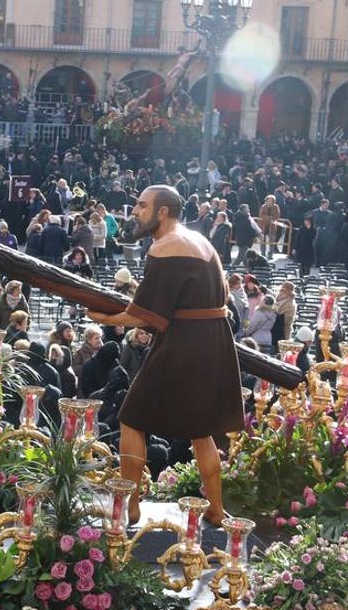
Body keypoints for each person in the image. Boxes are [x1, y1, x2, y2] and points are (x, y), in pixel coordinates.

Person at [88, 184, 243, 525]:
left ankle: (128, 507)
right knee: (201, 431)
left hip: (184, 342)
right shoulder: (201, 241)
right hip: (215, 340)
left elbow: (144, 314)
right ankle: (216, 510)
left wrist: (106, 318)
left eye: (142, 206)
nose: (135, 212)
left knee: (132, 417)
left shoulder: (165, 247)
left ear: (162, 212)